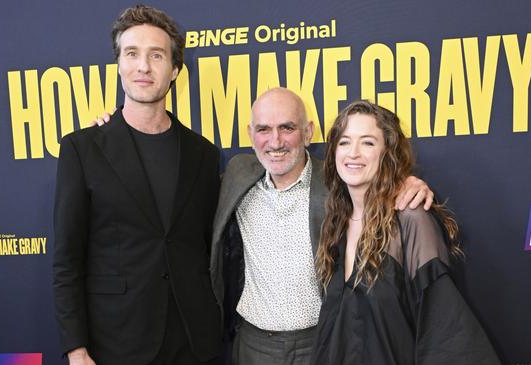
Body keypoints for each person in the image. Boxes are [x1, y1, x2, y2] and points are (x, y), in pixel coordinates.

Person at [208, 88, 435, 365]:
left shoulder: (338, 184)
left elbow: (375, 182)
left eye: (287, 128)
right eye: (263, 129)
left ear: (308, 132)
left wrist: (408, 184)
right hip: (253, 346)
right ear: (250, 134)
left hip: (321, 342)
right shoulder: (237, 174)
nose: (275, 141)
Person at [53, 5, 220, 365]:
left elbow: (208, 249)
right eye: (132, 53)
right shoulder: (81, 149)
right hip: (115, 343)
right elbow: (67, 260)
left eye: (156, 55)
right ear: (118, 64)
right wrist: (76, 349)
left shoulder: (204, 154)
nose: (143, 66)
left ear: (175, 70)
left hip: (193, 343)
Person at [312, 100, 500, 364]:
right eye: (344, 142)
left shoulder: (410, 220)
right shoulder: (335, 223)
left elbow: (444, 330)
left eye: (367, 142)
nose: (353, 153)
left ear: (387, 152)